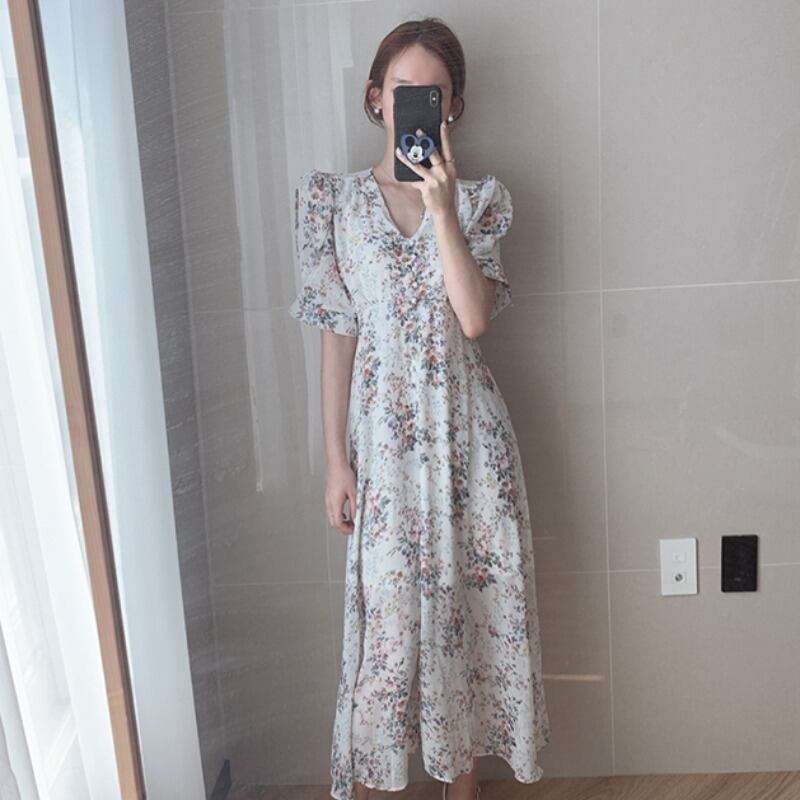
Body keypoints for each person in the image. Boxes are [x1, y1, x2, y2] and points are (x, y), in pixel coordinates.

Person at [287, 16, 551, 800]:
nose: (416, 105)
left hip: (470, 449)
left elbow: (473, 319)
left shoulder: (478, 203)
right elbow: (336, 337)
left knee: (465, 627)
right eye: (403, 89)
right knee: (390, 643)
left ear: (452, 108)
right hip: (383, 454)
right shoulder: (333, 204)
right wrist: (335, 461)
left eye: (432, 95)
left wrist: (442, 212)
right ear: (377, 97)